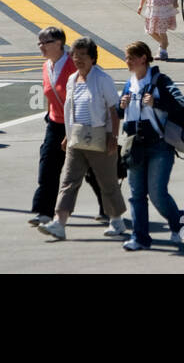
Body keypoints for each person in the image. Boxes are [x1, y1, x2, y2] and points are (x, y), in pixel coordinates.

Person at [38, 38, 128, 241]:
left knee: (107, 182)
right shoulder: (72, 79)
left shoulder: (102, 79)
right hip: (77, 139)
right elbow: (71, 110)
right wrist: (67, 136)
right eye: (75, 55)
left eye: (82, 55)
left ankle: (116, 220)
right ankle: (59, 223)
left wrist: (113, 136)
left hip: (100, 137)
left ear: (93, 58)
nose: (78, 59)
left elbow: (114, 110)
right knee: (69, 181)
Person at [29, 26, 108, 226]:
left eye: (45, 42)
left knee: (91, 171)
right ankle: (44, 211)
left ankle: (108, 209)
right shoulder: (47, 66)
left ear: (59, 44)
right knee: (48, 167)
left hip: (81, 125)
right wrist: (49, 115)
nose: (40, 46)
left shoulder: (74, 65)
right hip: (56, 124)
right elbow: (51, 95)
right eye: (39, 42)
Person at [119, 41, 184, 250]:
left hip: (159, 146)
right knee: (136, 194)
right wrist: (120, 107)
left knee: (157, 193)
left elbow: (180, 103)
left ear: (143, 58)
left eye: (131, 58)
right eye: (126, 58)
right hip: (135, 146)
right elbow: (121, 114)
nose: (127, 62)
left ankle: (179, 222)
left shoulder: (160, 81)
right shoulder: (129, 83)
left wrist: (156, 103)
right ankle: (140, 238)